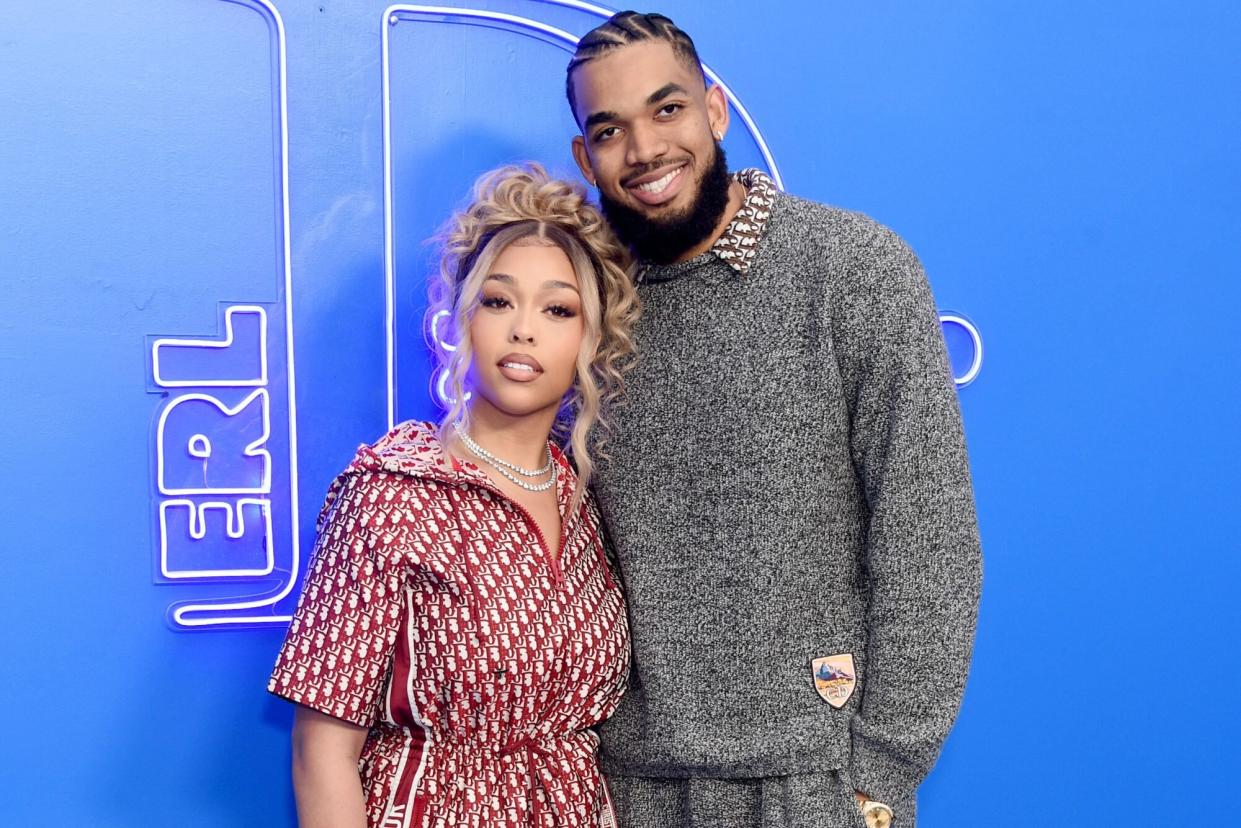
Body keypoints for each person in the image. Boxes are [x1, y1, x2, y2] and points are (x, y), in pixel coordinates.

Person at [564, 11, 983, 828]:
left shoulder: (853, 268)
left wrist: (877, 778)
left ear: (714, 110)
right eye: (609, 130)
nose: (645, 149)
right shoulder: (576, 304)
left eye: (667, 109)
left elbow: (926, 536)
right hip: (621, 791)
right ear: (585, 157)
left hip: (814, 787)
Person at [267, 164, 640, 827]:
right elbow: (319, 756)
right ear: (461, 317)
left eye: (557, 309)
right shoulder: (391, 490)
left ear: (590, 338)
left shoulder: (588, 503)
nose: (523, 329)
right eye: (499, 301)